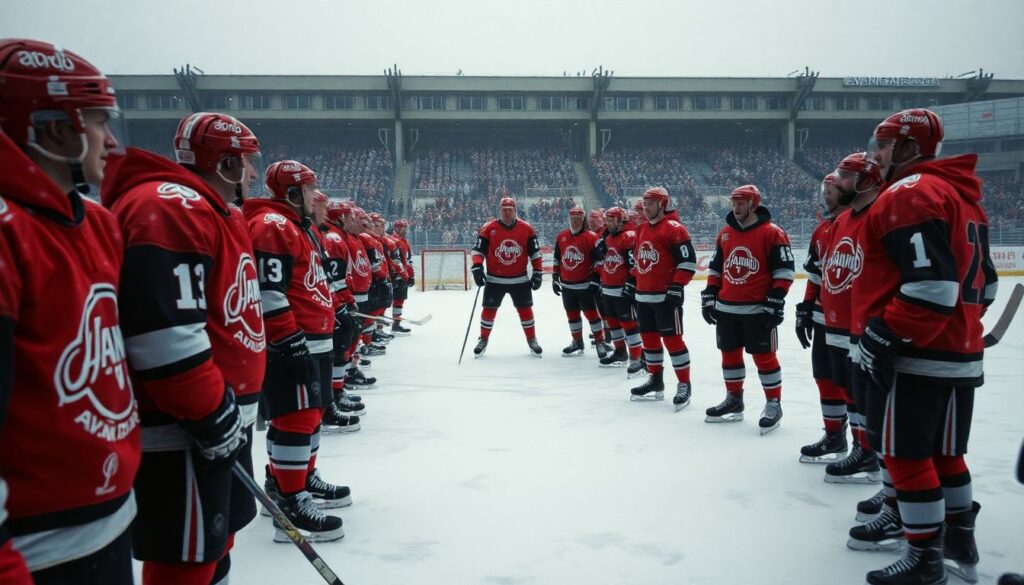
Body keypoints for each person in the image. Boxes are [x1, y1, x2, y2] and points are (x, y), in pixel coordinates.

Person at [101, 111, 266, 584]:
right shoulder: (174, 205)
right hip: (184, 429)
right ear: (227, 163)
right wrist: (209, 413)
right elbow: (165, 331)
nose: (253, 173)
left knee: (214, 544)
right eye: (246, 161)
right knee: (186, 557)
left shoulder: (214, 210)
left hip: (214, 419)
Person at [0, 39, 140, 584]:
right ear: (54, 128)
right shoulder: (9, 232)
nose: (112, 140)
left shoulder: (98, 223)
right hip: (37, 546)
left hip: (111, 513)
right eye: (99, 121)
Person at [854, 109, 995, 585]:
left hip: (918, 353)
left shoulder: (911, 192)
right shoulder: (963, 196)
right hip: (958, 350)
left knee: (907, 457)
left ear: (909, 148)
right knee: (946, 455)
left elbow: (932, 287)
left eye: (884, 145)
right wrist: (960, 326)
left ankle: (924, 559)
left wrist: (885, 332)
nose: (877, 155)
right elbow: (988, 287)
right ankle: (960, 543)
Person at [244, 160, 352, 542]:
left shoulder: (297, 226)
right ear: (291, 193)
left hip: (313, 340)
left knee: (310, 415)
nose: (315, 196)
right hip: (294, 342)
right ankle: (290, 501)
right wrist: (286, 337)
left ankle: (294, 480)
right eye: (307, 190)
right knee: (296, 418)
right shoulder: (273, 225)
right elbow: (268, 290)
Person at [819, 154, 887, 494]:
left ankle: (873, 456)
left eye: (845, 176)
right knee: (849, 389)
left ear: (866, 179)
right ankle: (861, 448)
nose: (836, 181)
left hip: (865, 326)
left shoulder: (881, 214)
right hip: (837, 322)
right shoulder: (843, 220)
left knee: (870, 397)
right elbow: (829, 267)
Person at [701, 185, 794, 433]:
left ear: (753, 204)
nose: (735, 207)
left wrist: (777, 298)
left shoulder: (772, 233)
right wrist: (710, 293)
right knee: (729, 355)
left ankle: (773, 403)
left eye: (741, 203)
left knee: (764, 357)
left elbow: (785, 271)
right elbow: (716, 268)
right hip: (727, 309)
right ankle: (734, 399)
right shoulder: (725, 234)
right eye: (733, 203)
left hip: (757, 310)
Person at [625, 187, 697, 410]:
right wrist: (632, 280)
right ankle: (655, 380)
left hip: (666, 298)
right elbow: (640, 261)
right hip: (643, 297)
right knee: (649, 341)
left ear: (662, 204)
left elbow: (688, 262)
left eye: (650, 203)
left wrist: (677, 286)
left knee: (673, 341)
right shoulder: (641, 229)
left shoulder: (675, 229)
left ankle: (684, 384)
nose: (645, 207)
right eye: (644, 203)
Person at [797, 174, 850, 463]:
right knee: (824, 376)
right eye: (825, 190)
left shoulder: (862, 223)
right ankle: (834, 436)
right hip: (823, 318)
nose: (826, 195)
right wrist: (806, 307)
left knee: (852, 384)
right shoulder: (821, 230)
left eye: (831, 190)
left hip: (853, 321)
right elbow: (816, 275)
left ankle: (866, 447)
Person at [471, 197, 544, 357]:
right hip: (494, 280)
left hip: (520, 279)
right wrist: (477, 266)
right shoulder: (488, 228)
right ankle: (483, 339)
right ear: (499, 210)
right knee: (488, 310)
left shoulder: (527, 228)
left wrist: (538, 271)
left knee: (526, 310)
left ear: (515, 210)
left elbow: (535, 253)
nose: (507, 212)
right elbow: (478, 251)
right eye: (504, 210)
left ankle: (532, 339)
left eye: (510, 210)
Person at [316, 194, 366, 422]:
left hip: (335, 299)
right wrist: (344, 300)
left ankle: (337, 390)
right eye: (348, 216)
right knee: (338, 345)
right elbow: (335, 279)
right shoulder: (334, 238)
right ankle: (334, 393)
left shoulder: (337, 235)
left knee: (342, 343)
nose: (351, 220)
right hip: (332, 301)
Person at [552, 207, 607, 358]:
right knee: (572, 315)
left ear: (583, 221)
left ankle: (600, 341)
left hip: (585, 285)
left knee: (592, 315)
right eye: (572, 219)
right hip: (567, 285)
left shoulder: (592, 237)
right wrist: (555, 278)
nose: (575, 222)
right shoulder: (561, 236)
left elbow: (599, 262)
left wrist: (595, 280)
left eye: (578, 219)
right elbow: (557, 258)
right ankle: (577, 341)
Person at [597, 207, 644, 372]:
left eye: (611, 220)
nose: (607, 224)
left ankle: (636, 357)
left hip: (622, 289)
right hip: (609, 288)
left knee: (629, 324)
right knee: (613, 323)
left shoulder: (629, 236)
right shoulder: (610, 237)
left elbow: (634, 264)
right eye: (607, 220)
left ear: (620, 220)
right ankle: (620, 353)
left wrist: (631, 282)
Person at [391, 219, 414, 335]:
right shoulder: (394, 241)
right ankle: (379, 328)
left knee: (400, 300)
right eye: (403, 227)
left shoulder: (405, 241)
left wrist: (411, 275)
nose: (405, 230)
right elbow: (395, 260)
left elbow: (408, 260)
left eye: (406, 227)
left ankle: (396, 323)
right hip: (396, 276)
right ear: (397, 228)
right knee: (388, 301)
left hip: (403, 276)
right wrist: (401, 274)